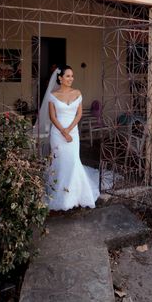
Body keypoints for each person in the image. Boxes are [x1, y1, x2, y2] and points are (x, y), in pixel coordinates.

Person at [38, 64, 100, 211]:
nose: (71, 78)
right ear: (60, 78)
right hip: (57, 134)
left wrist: (69, 130)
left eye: (72, 76)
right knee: (59, 162)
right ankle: (59, 195)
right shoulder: (53, 95)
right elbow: (52, 117)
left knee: (73, 161)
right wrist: (63, 131)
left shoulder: (77, 93)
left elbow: (79, 114)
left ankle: (76, 194)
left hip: (72, 133)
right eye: (67, 76)